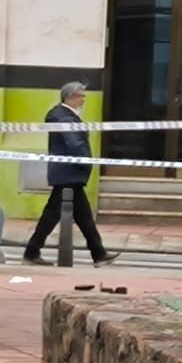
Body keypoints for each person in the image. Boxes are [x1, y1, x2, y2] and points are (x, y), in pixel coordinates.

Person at [23, 80, 118, 266]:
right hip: (68, 173)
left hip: (69, 173)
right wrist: (84, 162)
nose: (84, 100)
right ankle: (31, 252)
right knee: (52, 216)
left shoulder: (64, 116)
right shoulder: (65, 118)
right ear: (71, 97)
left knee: (83, 217)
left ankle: (98, 253)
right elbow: (74, 143)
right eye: (81, 96)